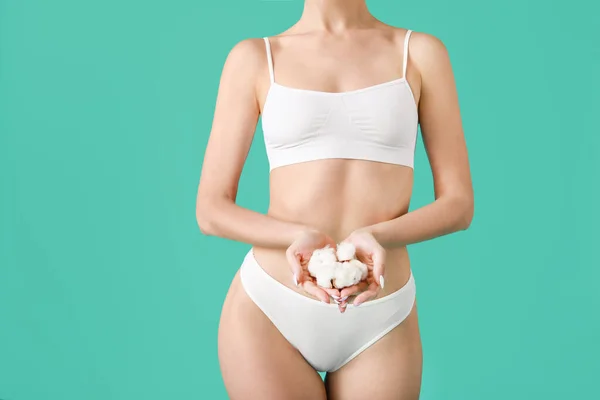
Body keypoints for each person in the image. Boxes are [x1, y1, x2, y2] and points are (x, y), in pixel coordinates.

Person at [196, 0, 474, 398]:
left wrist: (375, 234)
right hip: (272, 307)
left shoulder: (419, 52)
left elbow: (459, 203)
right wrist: (297, 235)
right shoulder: (256, 57)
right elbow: (211, 209)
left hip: (380, 313)